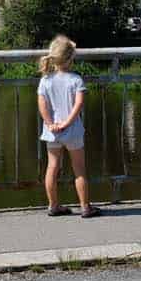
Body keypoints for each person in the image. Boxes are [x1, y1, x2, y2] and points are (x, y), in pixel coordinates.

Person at [37, 35, 100, 218]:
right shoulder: (76, 80)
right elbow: (78, 105)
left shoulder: (45, 80)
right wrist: (66, 123)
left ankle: (53, 205)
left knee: (52, 167)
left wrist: (51, 124)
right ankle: (85, 207)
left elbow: (42, 105)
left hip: (52, 131)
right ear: (71, 59)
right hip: (72, 131)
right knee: (79, 169)